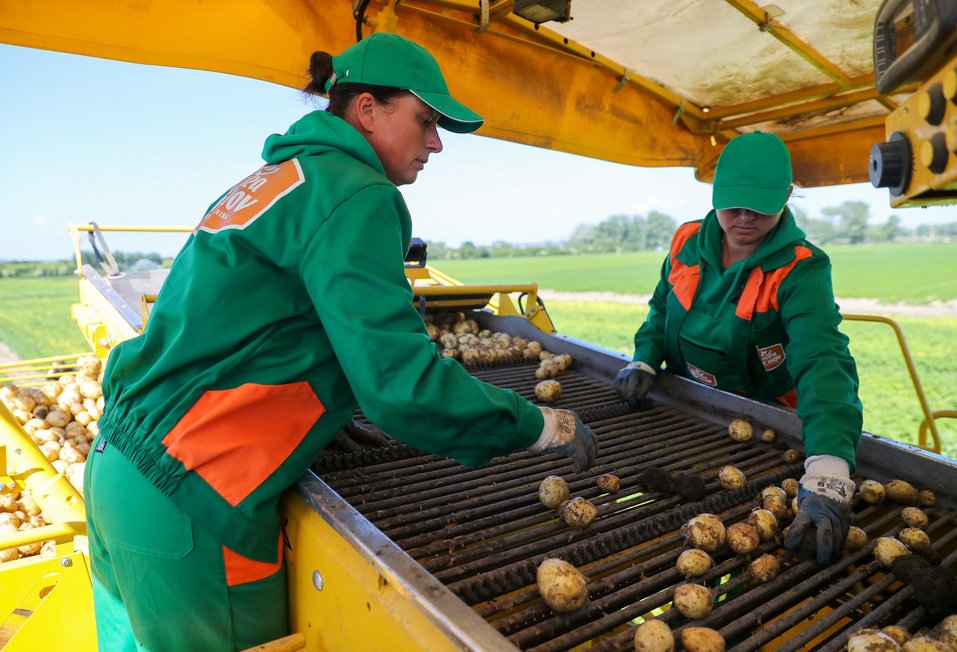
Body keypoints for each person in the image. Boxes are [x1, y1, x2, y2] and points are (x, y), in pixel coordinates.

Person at [84, 32, 597, 651]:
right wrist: (537, 425)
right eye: (426, 121)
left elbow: (259, 328)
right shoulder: (359, 192)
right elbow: (401, 386)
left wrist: (328, 412)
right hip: (195, 495)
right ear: (367, 110)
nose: (436, 143)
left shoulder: (278, 177)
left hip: (119, 467)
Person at [615, 131, 862, 566]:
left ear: (787, 195)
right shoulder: (686, 241)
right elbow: (660, 308)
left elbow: (822, 358)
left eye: (761, 205)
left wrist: (828, 470)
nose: (745, 217)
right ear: (713, 193)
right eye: (733, 204)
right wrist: (645, 357)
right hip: (690, 413)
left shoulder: (800, 267)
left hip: (767, 426)